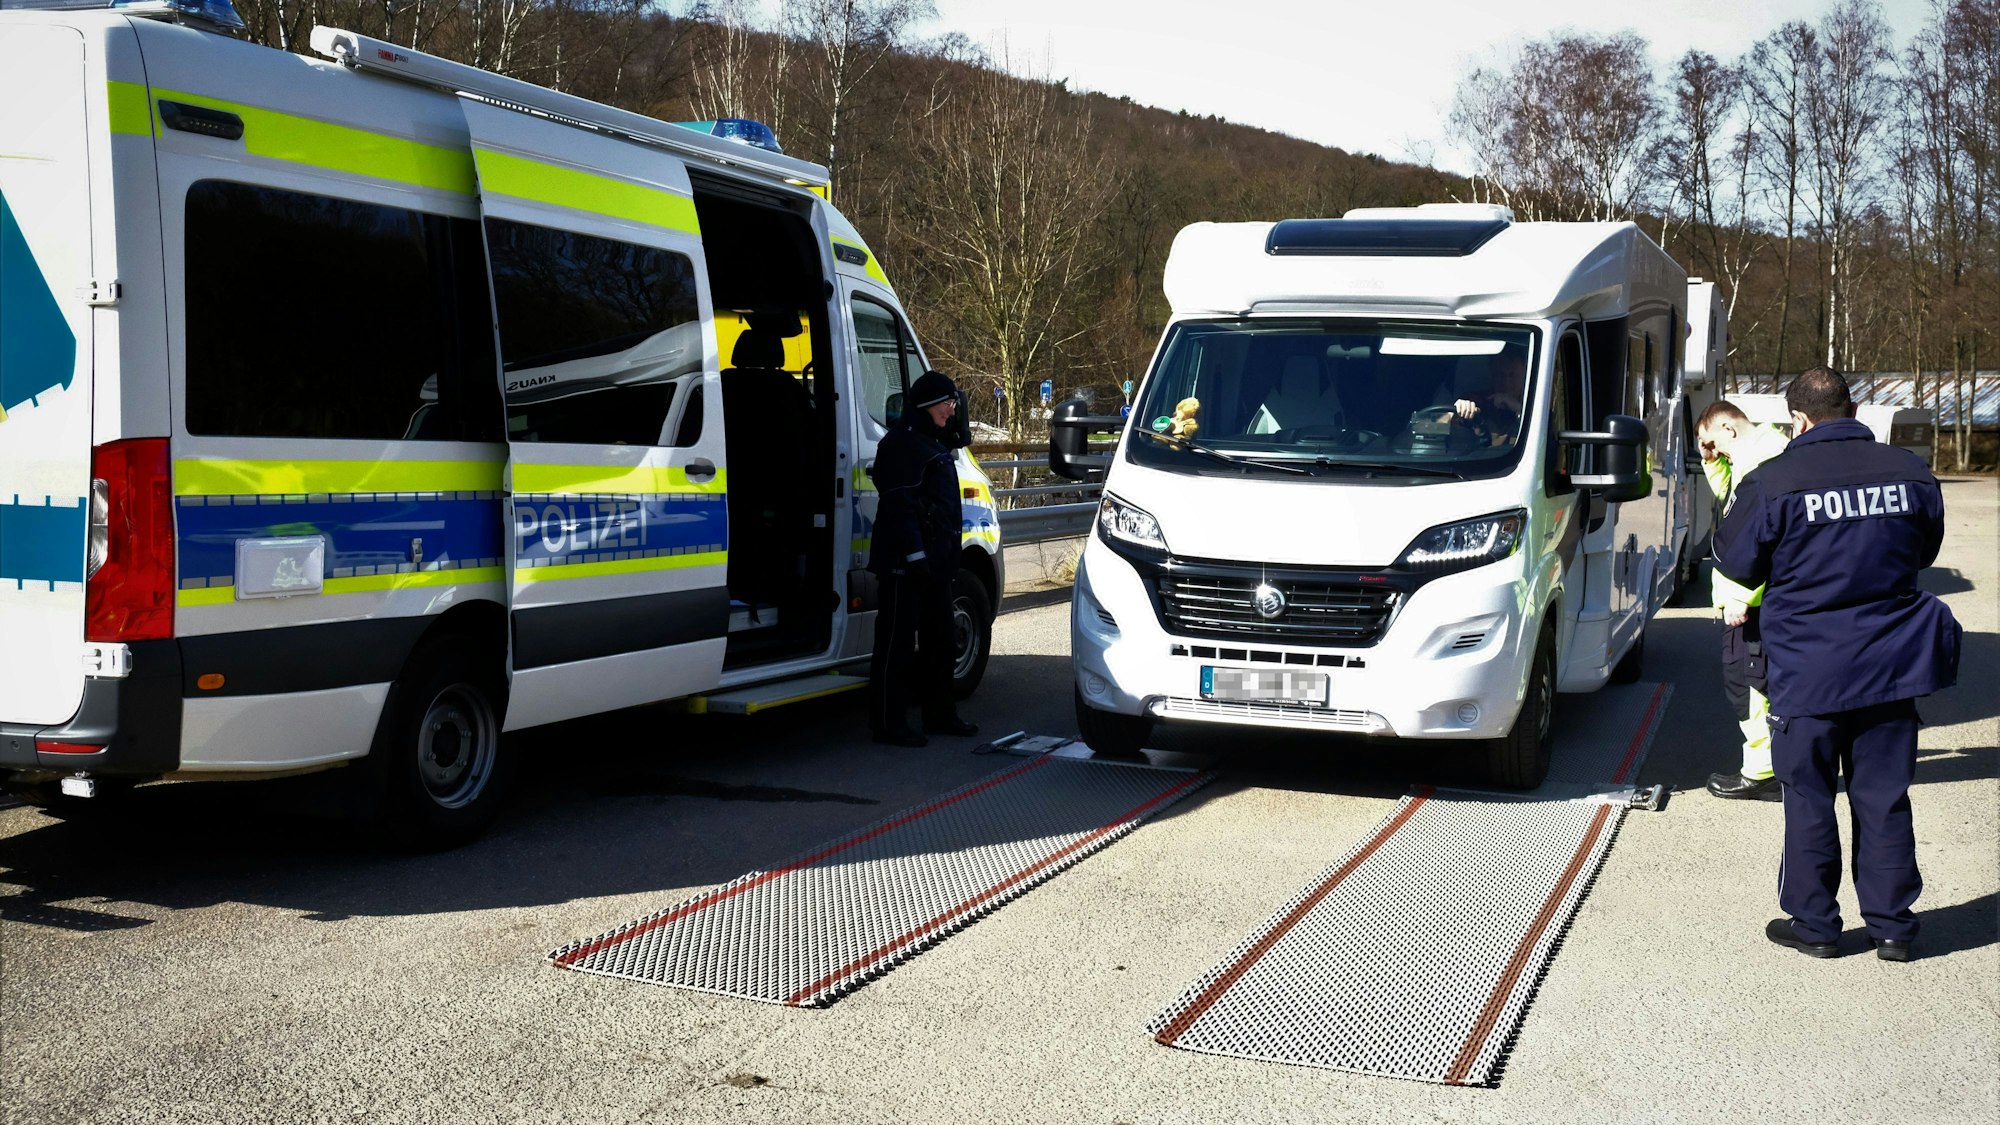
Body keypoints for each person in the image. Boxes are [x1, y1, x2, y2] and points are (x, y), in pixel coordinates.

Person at [1713, 366, 1961, 962]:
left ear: (1797, 419)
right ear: (1852, 409)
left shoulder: (1774, 480)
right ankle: (1894, 927)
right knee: (1883, 796)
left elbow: (1736, 562)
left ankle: (1817, 926)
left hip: (1807, 669)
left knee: (1809, 796)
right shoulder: (1910, 472)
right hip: (1890, 666)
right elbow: (1925, 550)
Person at [866, 370, 979, 747]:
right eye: (948, 403)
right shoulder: (902, 445)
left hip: (935, 564)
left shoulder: (931, 442)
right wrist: (915, 557)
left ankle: (940, 714)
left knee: (940, 642)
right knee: (896, 644)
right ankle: (888, 723)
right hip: (906, 564)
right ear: (931, 405)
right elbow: (900, 506)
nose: (952, 409)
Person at [1696, 400, 1794, 800]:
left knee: (1749, 686)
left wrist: (1740, 596)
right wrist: (1713, 461)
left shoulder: (1762, 465)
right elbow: (1730, 502)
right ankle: (1771, 768)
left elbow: (1760, 542)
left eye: (1713, 442)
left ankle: (1761, 775)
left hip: (1750, 602)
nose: (1714, 451)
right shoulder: (1759, 455)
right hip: (1753, 599)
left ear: (1729, 429)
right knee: (1755, 684)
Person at [1434, 347, 1526, 443]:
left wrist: (1518, 408)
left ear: (1524, 375)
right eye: (1500, 375)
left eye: (1513, 375)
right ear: (1492, 374)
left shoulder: (1535, 404)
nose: (1506, 382)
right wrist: (1455, 413)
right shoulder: (1477, 401)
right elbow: (1436, 428)